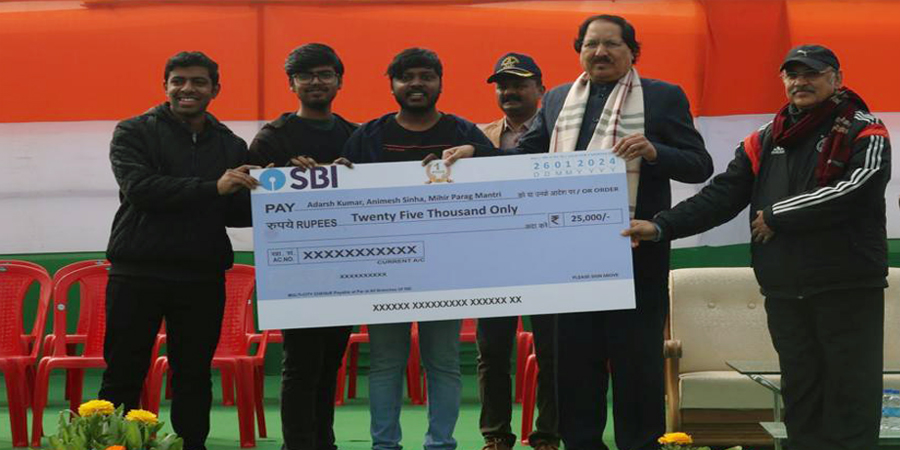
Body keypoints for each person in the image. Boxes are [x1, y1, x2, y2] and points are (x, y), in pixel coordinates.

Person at [444, 14, 713, 450]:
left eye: (611, 44)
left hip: (635, 251)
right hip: (567, 257)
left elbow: (699, 165)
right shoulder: (557, 99)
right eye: (591, 44)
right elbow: (528, 156)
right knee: (573, 364)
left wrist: (654, 151)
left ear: (632, 52)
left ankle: (639, 444)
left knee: (636, 362)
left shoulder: (662, 97)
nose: (600, 52)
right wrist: (478, 153)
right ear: (579, 51)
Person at [624, 44, 891, 450]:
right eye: (792, 74)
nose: (800, 82)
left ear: (836, 79)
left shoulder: (865, 129)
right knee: (800, 394)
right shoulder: (766, 137)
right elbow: (722, 195)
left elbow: (856, 189)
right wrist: (661, 226)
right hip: (784, 286)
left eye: (812, 74)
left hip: (847, 284)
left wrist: (777, 214)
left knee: (851, 391)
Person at [99, 51, 260, 450]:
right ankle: (116, 445)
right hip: (137, 272)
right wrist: (213, 188)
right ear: (166, 86)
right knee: (123, 372)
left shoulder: (231, 144)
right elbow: (141, 190)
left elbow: (233, 210)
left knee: (194, 375)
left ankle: (193, 444)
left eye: (199, 82)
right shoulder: (133, 131)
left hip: (201, 276)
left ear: (215, 89)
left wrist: (285, 196)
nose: (188, 89)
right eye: (179, 81)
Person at [341, 47, 493, 450]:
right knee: (385, 364)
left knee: (443, 364)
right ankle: (384, 445)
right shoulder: (368, 136)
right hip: (384, 271)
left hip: (445, 271)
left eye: (426, 76)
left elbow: (500, 172)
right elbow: (343, 196)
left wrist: (478, 153)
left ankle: (441, 444)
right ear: (392, 85)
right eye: (406, 77)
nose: (416, 84)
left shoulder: (463, 132)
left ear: (440, 83)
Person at [247, 43, 356, 450]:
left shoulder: (356, 136)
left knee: (330, 364)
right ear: (292, 84)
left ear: (339, 81)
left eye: (325, 74)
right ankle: (297, 443)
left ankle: (324, 442)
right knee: (301, 365)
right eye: (306, 75)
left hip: (347, 269)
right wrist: (281, 178)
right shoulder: (272, 138)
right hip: (295, 270)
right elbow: (248, 200)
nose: (316, 82)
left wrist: (353, 175)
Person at [474, 52, 558, 450]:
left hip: (548, 256)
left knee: (552, 350)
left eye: (519, 84)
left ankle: (548, 433)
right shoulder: (477, 137)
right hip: (494, 260)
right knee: (492, 352)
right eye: (502, 85)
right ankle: (496, 434)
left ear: (540, 89)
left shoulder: (561, 134)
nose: (509, 91)